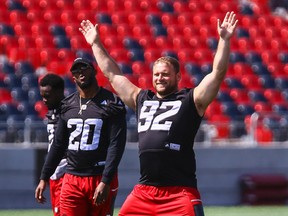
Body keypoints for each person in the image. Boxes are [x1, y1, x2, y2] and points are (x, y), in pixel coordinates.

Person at [79, 11, 238, 215]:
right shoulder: (142, 99)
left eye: (165, 74)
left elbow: (217, 75)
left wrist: (224, 40)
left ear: (178, 76)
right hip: (144, 192)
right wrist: (95, 44)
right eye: (156, 74)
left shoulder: (191, 100)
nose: (160, 78)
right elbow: (112, 75)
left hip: (179, 193)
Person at [35, 58, 127, 216]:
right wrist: (44, 177)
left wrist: (106, 180)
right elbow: (58, 144)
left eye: (84, 68)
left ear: (94, 71)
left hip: (99, 175)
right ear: (73, 77)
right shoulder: (68, 104)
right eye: (76, 71)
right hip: (72, 178)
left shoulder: (112, 103)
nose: (81, 73)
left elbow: (116, 145)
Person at [38, 73, 66, 216]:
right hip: (55, 175)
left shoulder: (69, 112)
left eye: (47, 95)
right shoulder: (51, 113)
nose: (44, 100)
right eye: (42, 95)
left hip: (67, 174)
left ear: (59, 92)